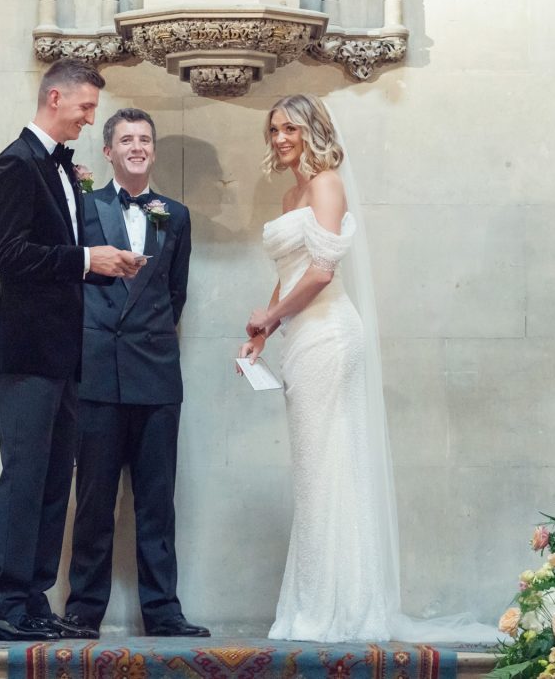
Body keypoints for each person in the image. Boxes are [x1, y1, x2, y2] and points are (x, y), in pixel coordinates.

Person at [239, 95, 498, 644]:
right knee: (315, 471)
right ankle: (316, 604)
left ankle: (343, 610)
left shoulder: (327, 183)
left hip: (330, 336)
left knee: (330, 465)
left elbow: (322, 273)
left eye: (290, 128)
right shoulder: (290, 195)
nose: (280, 138)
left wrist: (272, 315)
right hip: (301, 337)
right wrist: (262, 334)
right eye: (274, 130)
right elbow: (291, 274)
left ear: (313, 131)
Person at [0, 59, 143, 642]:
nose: (90, 119)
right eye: (85, 107)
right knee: (25, 478)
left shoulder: (62, 169)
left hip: (65, 352)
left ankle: (34, 599)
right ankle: (5, 607)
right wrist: (85, 259)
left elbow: (62, 255)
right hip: (26, 351)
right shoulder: (14, 165)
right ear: (55, 98)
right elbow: (7, 256)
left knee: (54, 483)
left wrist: (103, 264)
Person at [63, 108, 208, 638]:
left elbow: (175, 294)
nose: (137, 146)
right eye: (126, 139)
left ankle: (163, 612)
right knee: (94, 501)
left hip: (156, 375)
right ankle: (83, 612)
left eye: (145, 138)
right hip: (96, 373)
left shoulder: (176, 215)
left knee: (157, 502)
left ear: (153, 149)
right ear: (108, 151)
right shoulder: (83, 207)